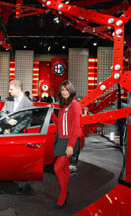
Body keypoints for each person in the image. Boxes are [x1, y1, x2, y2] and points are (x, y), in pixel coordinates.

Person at [51, 80, 83, 209]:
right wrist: (52, 113)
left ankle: (63, 194)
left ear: (71, 90)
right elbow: (60, 124)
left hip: (69, 141)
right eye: (62, 90)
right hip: (61, 139)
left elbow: (76, 127)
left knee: (57, 168)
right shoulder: (63, 105)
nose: (64, 92)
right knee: (63, 169)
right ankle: (64, 191)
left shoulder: (75, 105)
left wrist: (71, 145)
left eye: (66, 90)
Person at [0, 80, 33, 193]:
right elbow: (2, 112)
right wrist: (8, 120)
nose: (9, 91)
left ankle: (23, 186)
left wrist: (12, 131)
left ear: (18, 89)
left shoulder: (28, 103)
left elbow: (26, 121)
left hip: (19, 135)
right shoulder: (9, 100)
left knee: (20, 161)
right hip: (6, 133)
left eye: (11, 89)